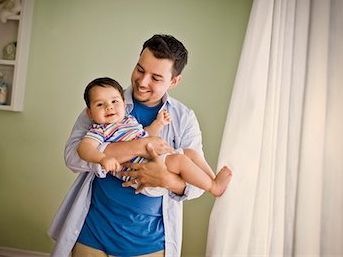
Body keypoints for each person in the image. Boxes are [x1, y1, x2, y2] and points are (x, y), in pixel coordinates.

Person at [49, 34, 225, 257]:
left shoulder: (184, 118)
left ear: (174, 81)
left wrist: (166, 179)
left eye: (156, 77)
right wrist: (139, 147)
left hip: (149, 242)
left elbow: (198, 185)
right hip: (92, 232)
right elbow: (73, 158)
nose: (142, 82)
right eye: (140, 70)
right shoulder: (105, 102)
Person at [78, 77, 232, 198]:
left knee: (190, 153)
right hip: (143, 173)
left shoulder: (128, 120)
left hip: (158, 161)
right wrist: (102, 159)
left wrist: (159, 124)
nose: (109, 107)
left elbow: (146, 136)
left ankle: (213, 179)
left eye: (114, 101)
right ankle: (214, 188)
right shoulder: (100, 129)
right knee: (181, 160)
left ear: (124, 105)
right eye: (99, 104)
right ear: (90, 113)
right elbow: (84, 148)